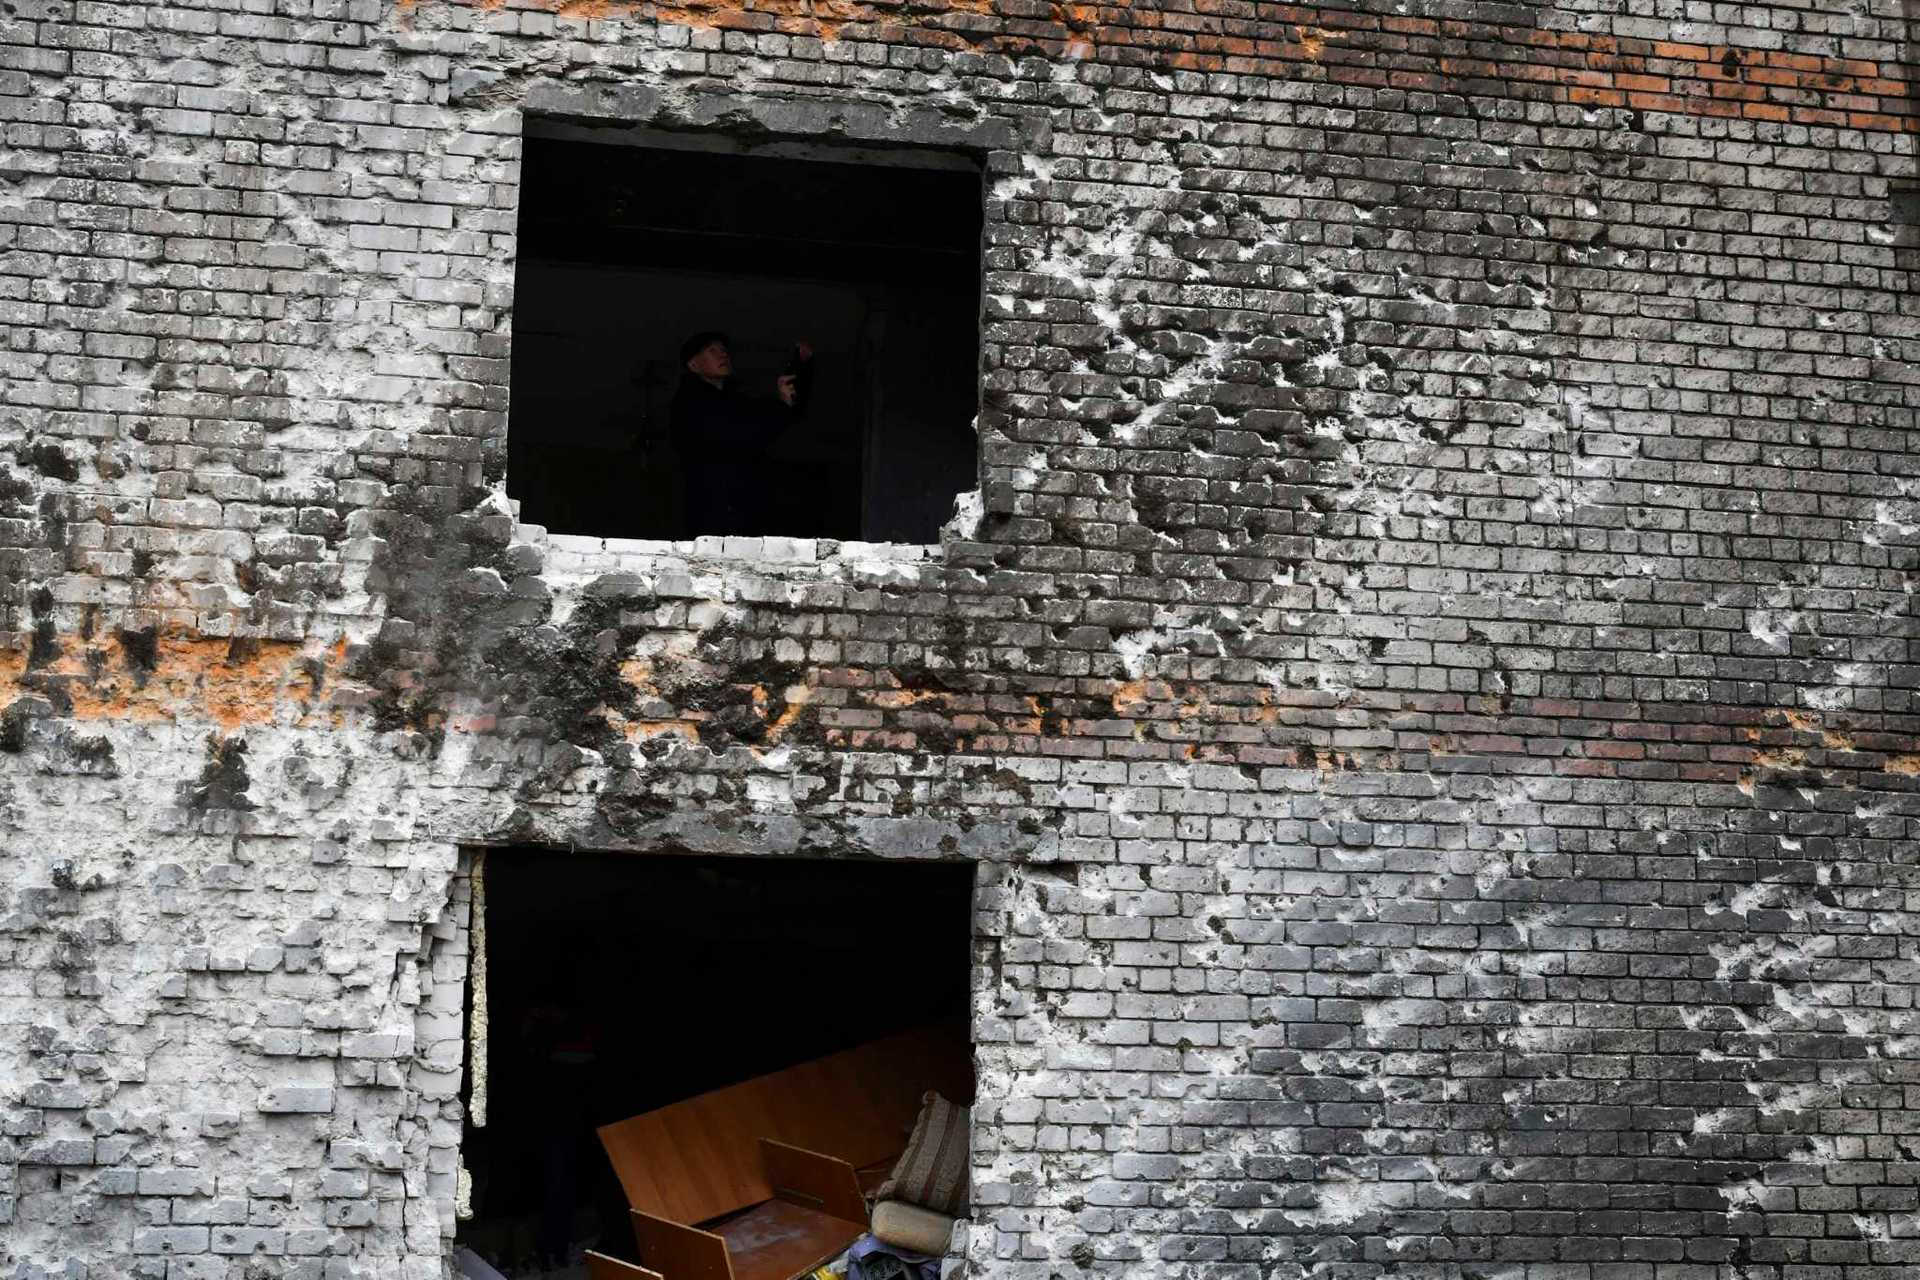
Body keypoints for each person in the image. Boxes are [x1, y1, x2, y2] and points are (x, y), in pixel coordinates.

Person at [669, 330, 813, 537]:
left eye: (723, 350)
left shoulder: (734, 399)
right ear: (693, 365)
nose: (723, 355)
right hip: (714, 512)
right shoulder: (690, 403)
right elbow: (743, 434)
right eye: (712, 351)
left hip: (742, 509)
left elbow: (778, 417)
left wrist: (802, 368)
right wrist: (779, 409)